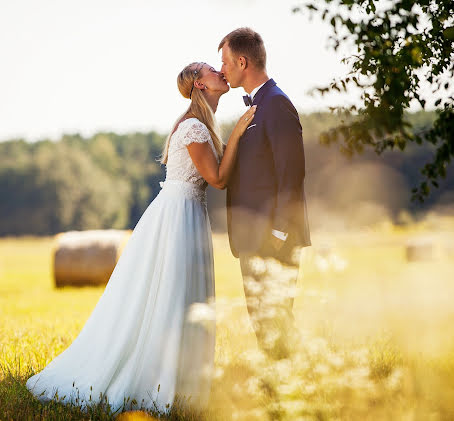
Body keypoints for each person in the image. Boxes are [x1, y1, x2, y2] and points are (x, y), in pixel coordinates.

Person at [25, 62, 256, 413]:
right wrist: (239, 133)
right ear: (198, 84)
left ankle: (181, 383)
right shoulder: (193, 126)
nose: (220, 71)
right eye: (212, 69)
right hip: (177, 217)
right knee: (170, 295)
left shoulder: (203, 123)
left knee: (182, 297)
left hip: (190, 214)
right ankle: (154, 380)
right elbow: (218, 179)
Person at [218, 27, 311, 359]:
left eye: (226, 62)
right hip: (254, 237)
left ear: (242, 61)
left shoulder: (277, 104)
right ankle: (281, 390)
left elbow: (292, 172)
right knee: (263, 323)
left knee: (275, 321)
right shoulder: (258, 105)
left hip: (273, 237)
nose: (223, 70)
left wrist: (278, 231)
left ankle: (291, 394)